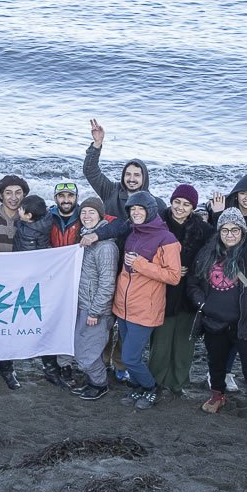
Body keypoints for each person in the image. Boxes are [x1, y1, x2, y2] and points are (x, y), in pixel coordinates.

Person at [190, 210, 247, 431]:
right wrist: (202, 304)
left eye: (235, 229)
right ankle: (217, 396)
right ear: (219, 232)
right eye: (225, 230)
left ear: (242, 232)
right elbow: (193, 282)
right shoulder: (207, 253)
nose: (230, 234)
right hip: (214, 322)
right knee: (216, 363)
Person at [112, 191, 182, 411]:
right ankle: (138, 386)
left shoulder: (167, 239)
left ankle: (151, 387)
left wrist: (142, 264)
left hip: (145, 309)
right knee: (129, 355)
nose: (136, 213)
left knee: (130, 357)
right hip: (123, 306)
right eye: (132, 209)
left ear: (150, 211)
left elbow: (173, 276)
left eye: (140, 209)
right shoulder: (133, 233)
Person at [149, 184, 212, 398]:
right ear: (171, 201)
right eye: (177, 202)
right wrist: (169, 269)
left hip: (189, 291)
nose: (180, 208)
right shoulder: (158, 224)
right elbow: (145, 251)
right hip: (161, 289)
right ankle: (157, 380)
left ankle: (178, 383)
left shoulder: (203, 230)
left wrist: (191, 270)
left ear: (193, 208)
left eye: (186, 204)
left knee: (185, 342)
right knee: (161, 341)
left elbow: (211, 255)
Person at [73, 199, 120, 400]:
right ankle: (94, 380)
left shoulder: (106, 247)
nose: (87, 216)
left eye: (92, 212)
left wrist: (95, 311)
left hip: (96, 310)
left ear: (101, 215)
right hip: (84, 304)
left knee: (86, 354)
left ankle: (100, 384)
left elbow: (108, 283)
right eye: (84, 212)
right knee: (85, 347)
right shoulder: (86, 239)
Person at [83, 119, 163, 218]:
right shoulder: (110, 191)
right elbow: (90, 171)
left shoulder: (156, 204)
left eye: (137, 175)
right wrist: (97, 144)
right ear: (123, 176)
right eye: (128, 174)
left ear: (144, 178)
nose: (131, 179)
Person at [0, 175, 30, 252]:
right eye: (8, 193)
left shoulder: (30, 217)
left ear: (24, 194)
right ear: (1, 195)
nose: (14, 198)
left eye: (18, 193)